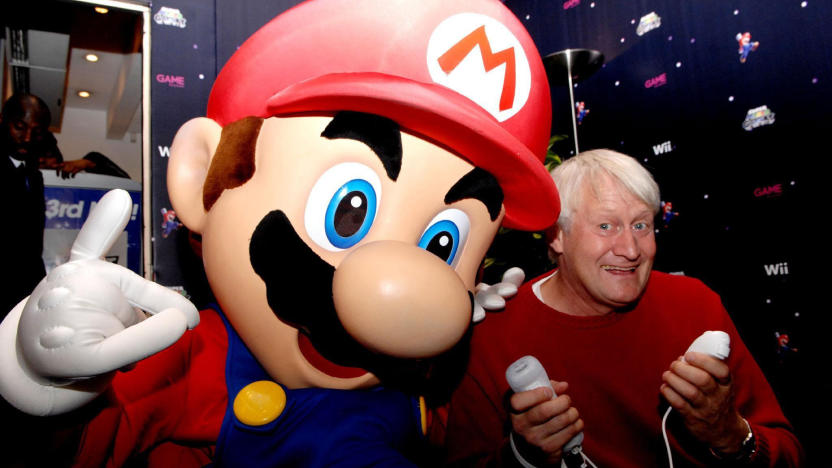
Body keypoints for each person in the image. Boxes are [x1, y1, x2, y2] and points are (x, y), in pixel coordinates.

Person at [435, 149, 804, 467]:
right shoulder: (494, 333)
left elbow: (789, 454)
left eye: (641, 225)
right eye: (606, 225)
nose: (630, 249)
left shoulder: (696, 305)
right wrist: (524, 457)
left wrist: (730, 434)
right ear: (557, 236)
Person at [0, 93, 52, 317]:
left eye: (37, 131)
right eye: (20, 127)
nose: (28, 137)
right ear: (3, 120)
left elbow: (32, 245)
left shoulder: (34, 176)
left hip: (25, 297)